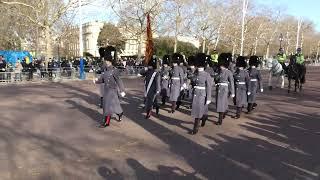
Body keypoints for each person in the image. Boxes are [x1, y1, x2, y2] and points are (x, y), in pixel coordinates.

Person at [94, 48, 125, 128]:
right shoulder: (105, 71)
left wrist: (122, 90)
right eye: (106, 61)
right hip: (106, 91)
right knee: (109, 106)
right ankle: (119, 113)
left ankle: (107, 122)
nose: (106, 62)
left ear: (110, 61)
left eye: (107, 61)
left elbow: (119, 81)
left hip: (112, 91)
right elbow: (102, 80)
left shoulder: (115, 70)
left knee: (108, 106)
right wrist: (96, 81)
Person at [190, 53, 213, 135]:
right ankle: (204, 117)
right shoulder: (195, 73)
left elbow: (209, 87)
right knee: (198, 110)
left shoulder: (207, 75)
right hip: (196, 93)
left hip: (202, 94)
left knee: (198, 111)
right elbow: (193, 82)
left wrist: (209, 98)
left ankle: (195, 128)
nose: (198, 67)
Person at [214, 53, 235, 125]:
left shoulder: (229, 72)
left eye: (222, 65)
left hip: (224, 89)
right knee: (219, 103)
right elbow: (216, 79)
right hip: (219, 88)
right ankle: (225, 111)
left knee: (221, 103)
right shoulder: (219, 71)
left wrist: (232, 92)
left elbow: (232, 82)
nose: (221, 67)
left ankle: (220, 120)